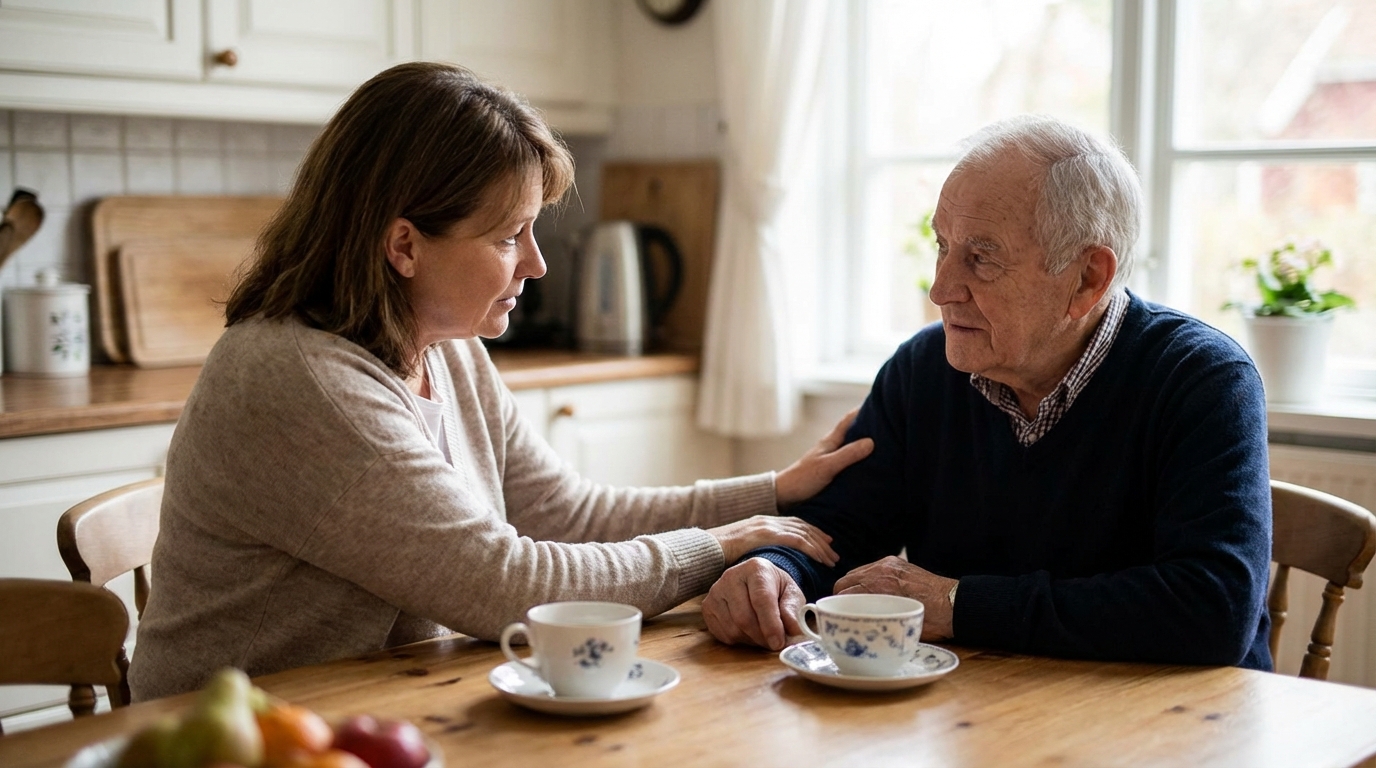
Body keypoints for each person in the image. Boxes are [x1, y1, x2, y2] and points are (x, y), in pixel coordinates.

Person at [128, 62, 874, 701]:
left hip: (373, 709)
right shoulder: (298, 380)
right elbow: (507, 586)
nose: (538, 264)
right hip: (229, 737)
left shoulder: (440, 343)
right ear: (404, 246)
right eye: (509, 236)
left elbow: (562, 511)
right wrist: (716, 546)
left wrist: (772, 492)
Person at [703, 115, 1273, 670]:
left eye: (981, 258)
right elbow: (837, 532)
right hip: (989, 714)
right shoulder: (923, 369)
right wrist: (774, 571)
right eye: (942, 246)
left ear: (1088, 278)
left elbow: (1212, 608)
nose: (941, 289)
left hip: (1178, 727)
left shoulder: (1203, 379)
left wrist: (959, 604)